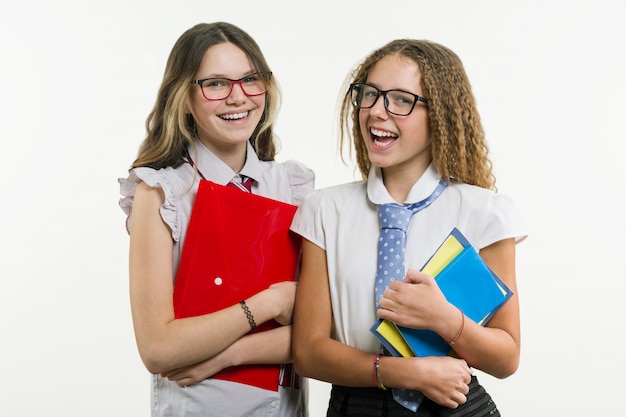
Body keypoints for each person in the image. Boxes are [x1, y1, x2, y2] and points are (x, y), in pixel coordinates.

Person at [290, 39, 526, 417]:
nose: (376, 112)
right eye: (370, 95)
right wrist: (409, 372)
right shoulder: (323, 210)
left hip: (453, 404)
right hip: (359, 402)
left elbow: (506, 358)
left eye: (401, 99)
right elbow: (308, 352)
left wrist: (444, 319)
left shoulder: (486, 213)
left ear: (441, 114)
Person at [119, 22, 314, 417]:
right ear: (185, 97)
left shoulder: (293, 187)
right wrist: (272, 301)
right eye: (215, 84)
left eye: (250, 80)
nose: (237, 97)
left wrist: (223, 354)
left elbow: (320, 333)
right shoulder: (162, 194)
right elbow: (159, 348)